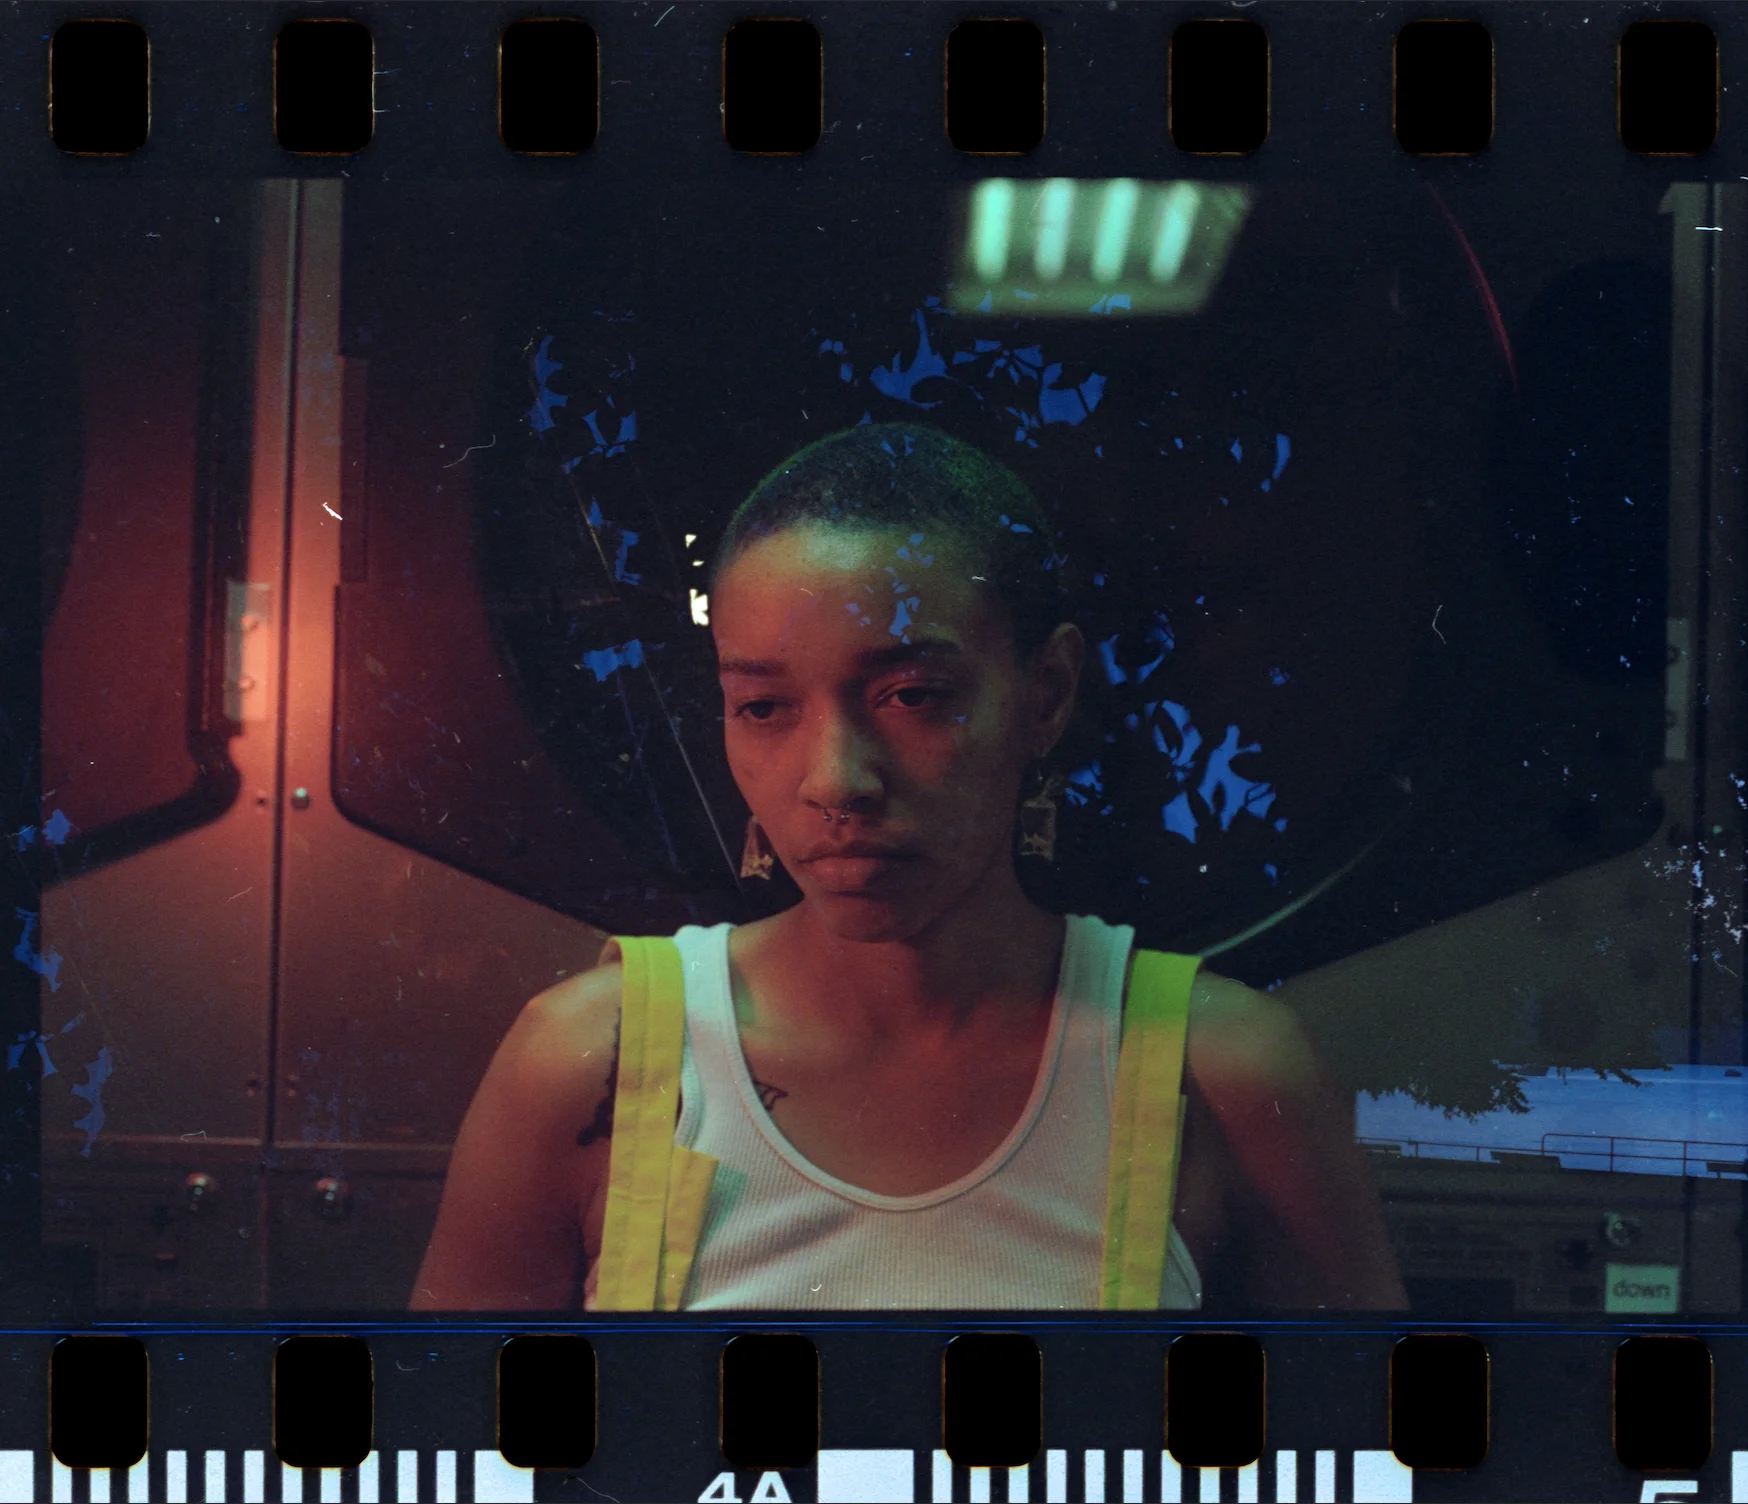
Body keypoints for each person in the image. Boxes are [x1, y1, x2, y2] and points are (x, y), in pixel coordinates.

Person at [411, 423, 1406, 1312]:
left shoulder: (1219, 1069)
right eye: (763, 706)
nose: (835, 778)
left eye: (913, 696)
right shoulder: (593, 1060)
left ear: (1045, 694)